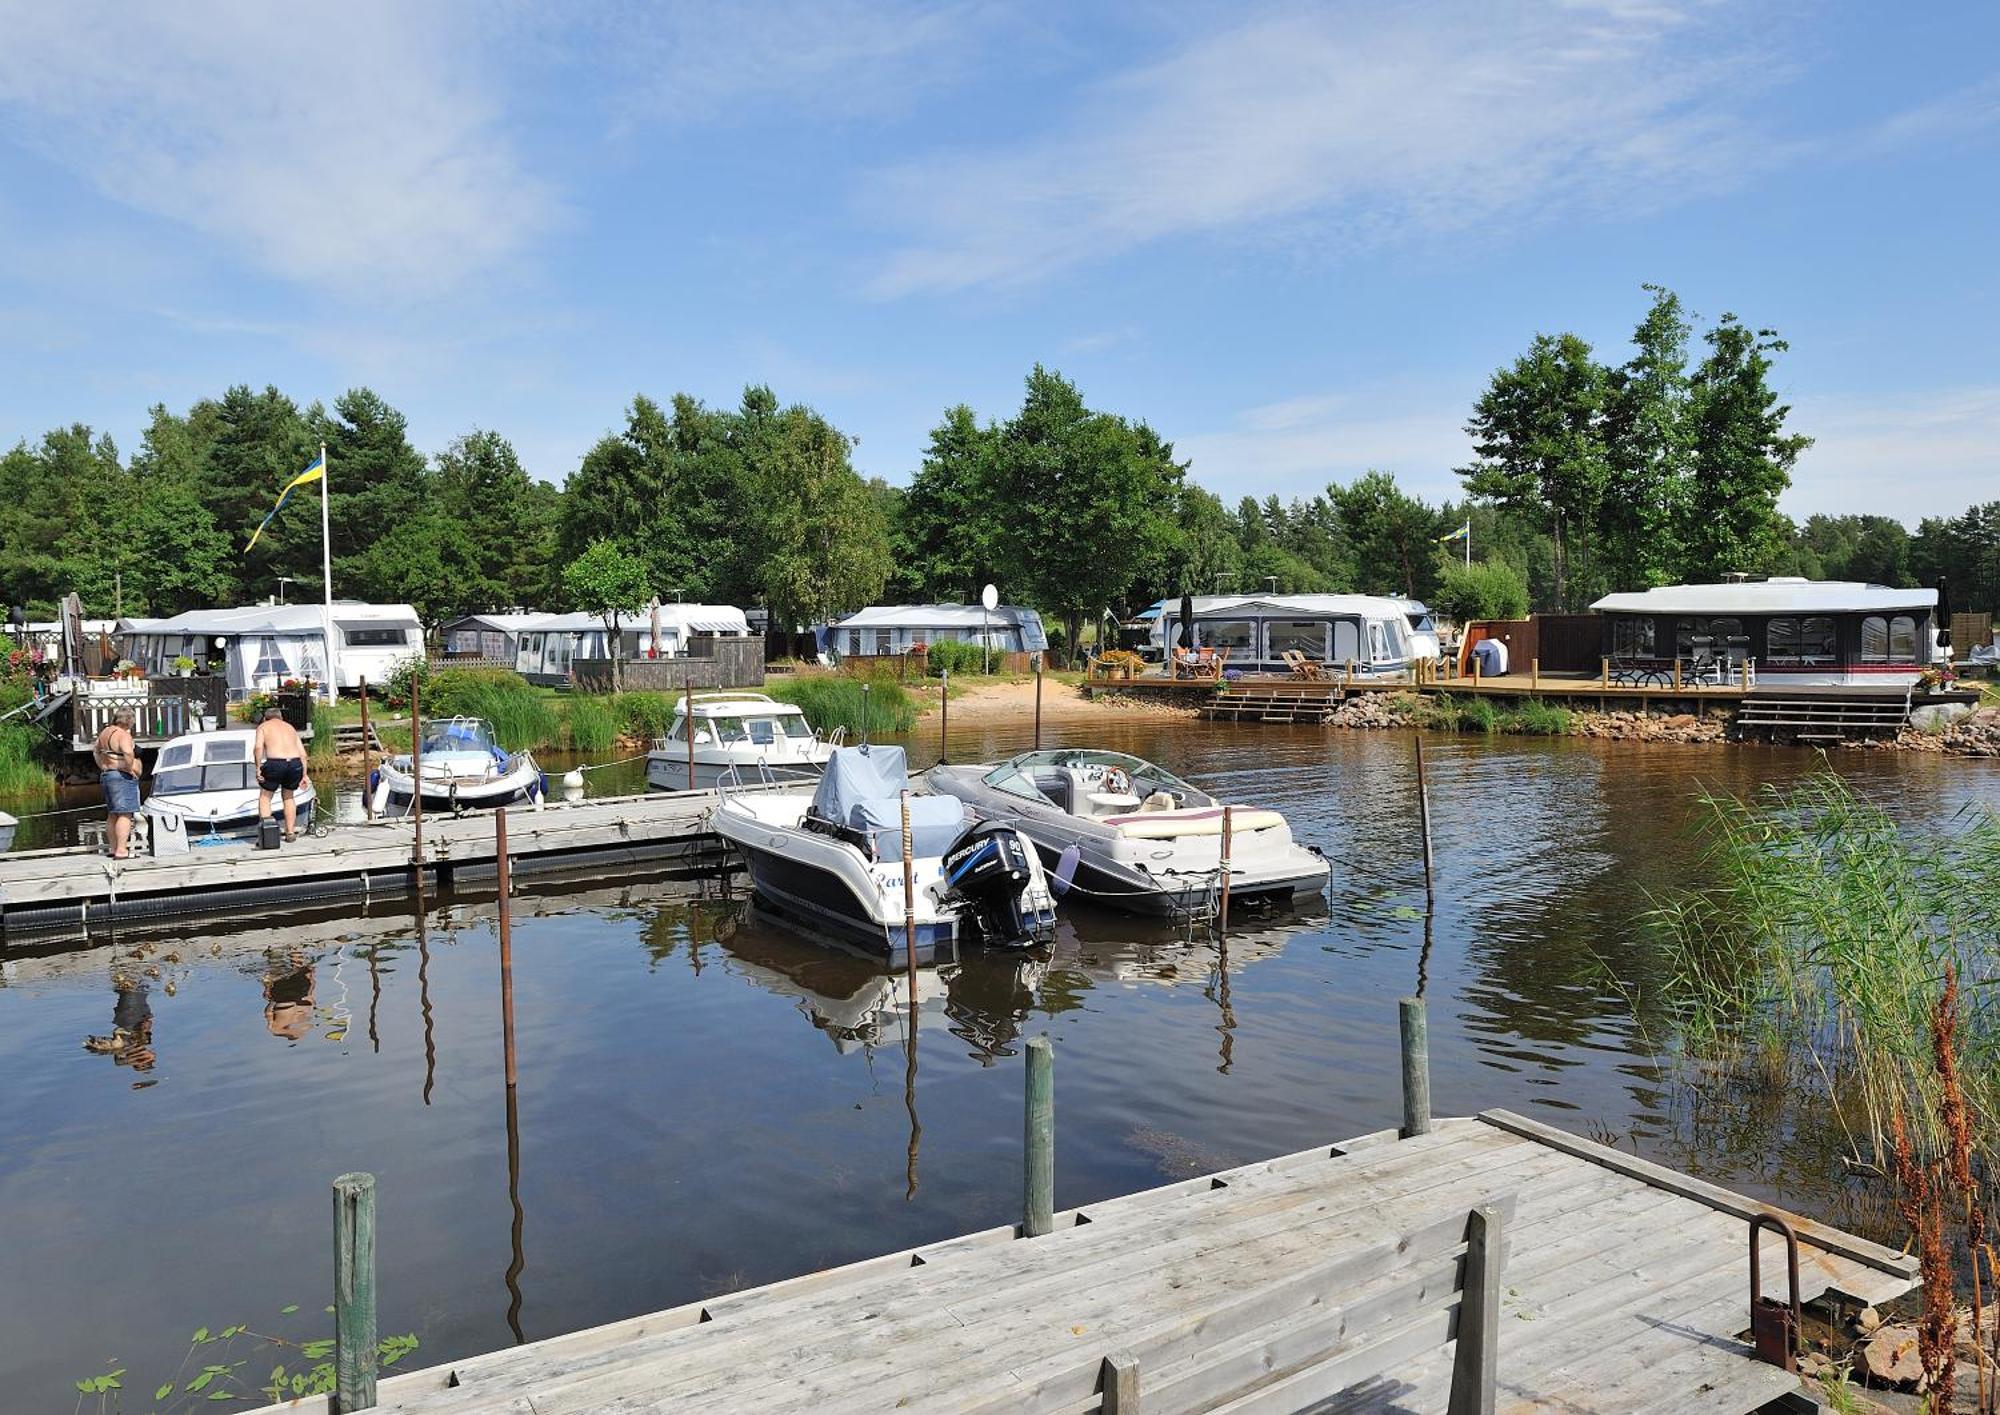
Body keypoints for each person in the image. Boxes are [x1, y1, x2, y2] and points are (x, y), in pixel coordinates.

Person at [253, 706, 309, 841]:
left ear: (265, 718)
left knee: (265, 797)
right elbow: (303, 754)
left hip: (275, 763)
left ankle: (268, 835)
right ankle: (290, 832)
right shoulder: (290, 727)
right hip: (295, 763)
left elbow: (258, 747)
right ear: (281, 717)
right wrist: (305, 774)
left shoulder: (263, 727)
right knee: (289, 797)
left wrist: (258, 766)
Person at [93, 707, 142, 859]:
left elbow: (95, 751)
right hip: (121, 776)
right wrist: (129, 768)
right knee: (125, 813)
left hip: (107, 775)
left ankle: (113, 849)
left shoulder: (105, 732)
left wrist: (102, 766)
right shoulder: (123, 735)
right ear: (129, 721)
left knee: (112, 813)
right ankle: (122, 850)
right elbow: (127, 752)